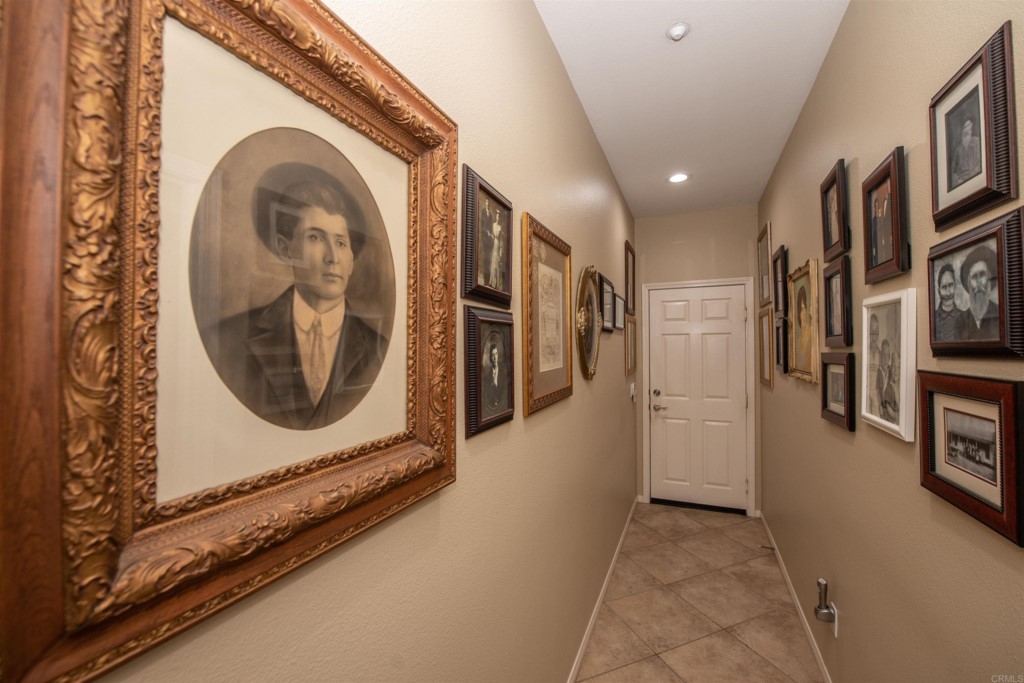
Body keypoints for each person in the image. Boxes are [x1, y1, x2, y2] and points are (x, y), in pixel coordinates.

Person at [212, 179, 387, 430]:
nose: (332, 258)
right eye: (315, 237)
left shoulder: (378, 347)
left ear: (351, 260)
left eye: (340, 243)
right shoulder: (228, 338)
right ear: (285, 249)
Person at [960, 244, 999, 340]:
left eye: (982, 275)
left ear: (989, 278)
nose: (978, 282)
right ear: (969, 283)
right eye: (974, 277)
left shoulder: (1000, 314)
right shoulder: (960, 320)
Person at [933, 263, 968, 341]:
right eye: (944, 287)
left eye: (950, 285)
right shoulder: (933, 319)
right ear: (939, 291)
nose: (948, 293)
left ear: (955, 286)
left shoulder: (965, 317)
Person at [951, 116, 982, 188]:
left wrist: (972, 179)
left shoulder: (977, 142)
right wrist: (957, 180)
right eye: (964, 127)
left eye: (968, 126)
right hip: (961, 184)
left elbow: (981, 163)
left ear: (971, 125)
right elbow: (952, 171)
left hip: (975, 181)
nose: (966, 129)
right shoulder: (958, 149)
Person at [482, 338, 508, 415]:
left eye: (496, 354)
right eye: (493, 355)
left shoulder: (504, 374)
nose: (495, 358)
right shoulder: (486, 378)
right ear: (490, 358)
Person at [870, 191, 892, 267]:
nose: (876, 208)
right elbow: (872, 235)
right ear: (874, 209)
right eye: (875, 207)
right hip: (877, 247)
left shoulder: (882, 220)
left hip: (883, 244)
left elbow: (885, 230)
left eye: (877, 206)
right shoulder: (873, 222)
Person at [794, 286, 813, 371]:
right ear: (798, 312)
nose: (804, 313)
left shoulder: (811, 331)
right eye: (801, 309)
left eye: (805, 308)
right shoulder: (797, 341)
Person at [867, 314, 880, 415]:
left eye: (876, 333)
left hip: (876, 395)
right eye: (872, 332)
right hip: (866, 394)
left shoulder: (880, 354)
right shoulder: (865, 353)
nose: (874, 336)